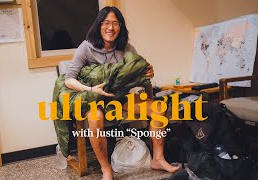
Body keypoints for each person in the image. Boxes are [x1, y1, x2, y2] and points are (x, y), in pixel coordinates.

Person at [65, 6, 180, 180]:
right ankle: (106, 169)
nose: (110, 28)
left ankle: (158, 159)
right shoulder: (86, 47)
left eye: (115, 23)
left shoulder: (127, 48)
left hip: (120, 97)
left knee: (158, 107)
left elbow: (139, 71)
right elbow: (69, 79)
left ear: (120, 27)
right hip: (95, 99)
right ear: (99, 25)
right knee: (94, 118)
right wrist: (90, 89)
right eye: (106, 23)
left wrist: (148, 73)